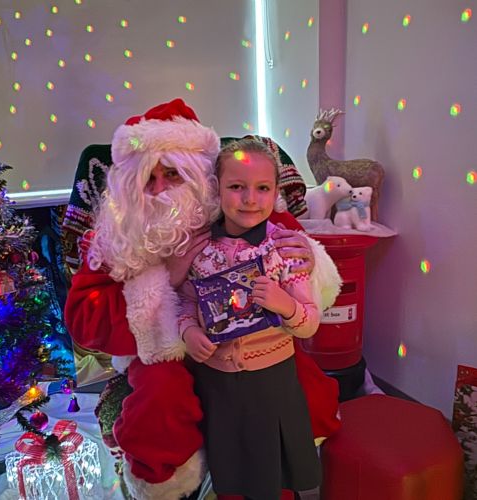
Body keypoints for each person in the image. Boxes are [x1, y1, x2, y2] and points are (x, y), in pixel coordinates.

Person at [64, 99, 341, 499]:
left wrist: (309, 258)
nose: (159, 190)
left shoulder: (235, 207)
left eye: (172, 174)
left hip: (249, 346)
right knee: (161, 398)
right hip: (163, 352)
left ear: (197, 175)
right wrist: (168, 281)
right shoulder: (116, 237)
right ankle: (166, 484)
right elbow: (84, 319)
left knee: (293, 388)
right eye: (147, 178)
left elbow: (300, 263)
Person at [178, 139, 323, 500]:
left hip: (271, 385)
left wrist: (285, 304)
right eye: (236, 186)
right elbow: (185, 301)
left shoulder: (286, 249)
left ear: (276, 192)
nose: (250, 199)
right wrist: (189, 330)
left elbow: (310, 323)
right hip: (215, 385)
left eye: (262, 188)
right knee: (229, 468)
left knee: (267, 473)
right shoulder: (200, 249)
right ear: (217, 188)